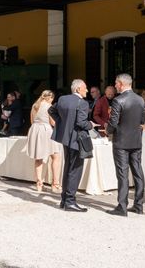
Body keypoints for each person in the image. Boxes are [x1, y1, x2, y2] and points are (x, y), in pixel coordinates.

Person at [48, 79, 95, 212]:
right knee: (75, 170)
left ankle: (64, 200)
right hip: (77, 139)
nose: (87, 90)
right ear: (78, 89)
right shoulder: (83, 103)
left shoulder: (63, 99)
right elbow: (81, 123)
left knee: (68, 167)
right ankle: (70, 201)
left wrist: (62, 124)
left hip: (65, 138)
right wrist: (91, 125)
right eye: (85, 88)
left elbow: (51, 110)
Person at [106, 73, 145, 216]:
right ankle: (139, 205)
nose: (115, 86)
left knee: (122, 174)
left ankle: (122, 206)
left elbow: (113, 122)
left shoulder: (118, 100)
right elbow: (142, 121)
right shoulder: (140, 100)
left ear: (121, 84)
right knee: (137, 172)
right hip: (136, 141)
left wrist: (107, 130)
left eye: (116, 83)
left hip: (121, 142)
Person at [26, 90, 62, 193]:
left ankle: (39, 184)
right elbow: (53, 122)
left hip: (35, 130)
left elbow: (32, 121)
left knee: (38, 158)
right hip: (46, 130)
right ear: (50, 98)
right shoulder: (49, 106)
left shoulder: (35, 105)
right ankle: (55, 184)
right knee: (55, 156)